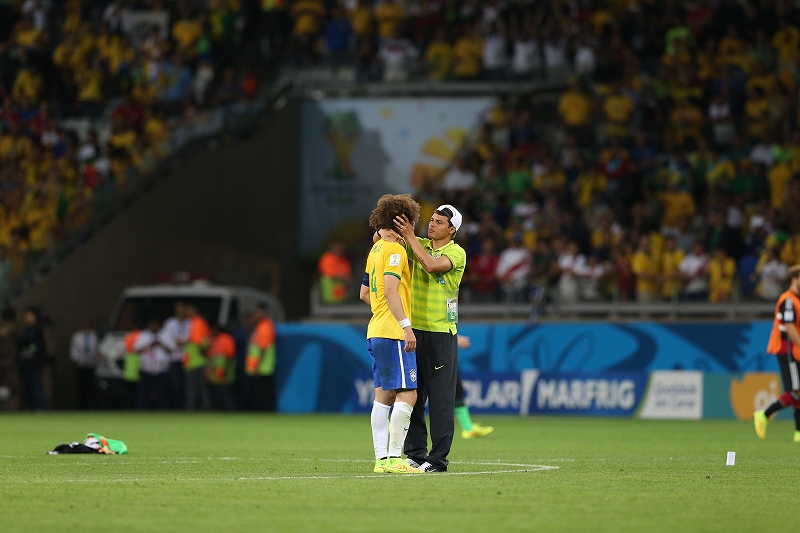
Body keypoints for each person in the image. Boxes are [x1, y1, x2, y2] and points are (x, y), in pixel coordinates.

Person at [389, 203, 467, 473]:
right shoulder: (418, 242)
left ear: (452, 229)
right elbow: (382, 237)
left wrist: (410, 237)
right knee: (413, 394)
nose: (432, 224)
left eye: (439, 222)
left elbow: (432, 266)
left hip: (440, 334)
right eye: (431, 219)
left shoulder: (456, 252)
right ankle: (416, 454)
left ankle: (438, 460)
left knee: (441, 399)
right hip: (414, 331)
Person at [361, 194, 424, 474]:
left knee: (383, 396)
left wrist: (383, 311)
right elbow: (390, 290)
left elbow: (365, 293)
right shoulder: (395, 251)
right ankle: (396, 458)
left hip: (376, 329)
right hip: (393, 332)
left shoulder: (375, 249)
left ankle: (382, 460)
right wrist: (405, 325)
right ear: (404, 222)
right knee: (408, 394)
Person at [754, 265, 800, 441]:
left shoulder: (796, 300)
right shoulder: (788, 300)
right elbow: (789, 327)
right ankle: (764, 415)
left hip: (793, 347)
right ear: (795, 279)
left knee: (798, 391)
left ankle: (798, 432)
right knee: (796, 390)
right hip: (787, 347)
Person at [454, 335, 494, 439]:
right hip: (434, 353)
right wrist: (454, 338)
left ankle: (468, 428)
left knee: (456, 388)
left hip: (445, 353)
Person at [134, 318, 174, 410]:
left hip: (161, 370)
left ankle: (163, 414)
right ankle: (142, 414)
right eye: (152, 324)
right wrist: (150, 344)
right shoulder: (144, 335)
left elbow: (172, 349)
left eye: (156, 324)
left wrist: (160, 344)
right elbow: (136, 349)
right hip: (146, 370)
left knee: (162, 395)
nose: (154, 326)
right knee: (143, 396)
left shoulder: (165, 335)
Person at [244, 304, 277, 411]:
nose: (254, 316)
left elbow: (263, 348)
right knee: (259, 391)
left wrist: (257, 365)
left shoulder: (265, 326)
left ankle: (266, 411)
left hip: (263, 366)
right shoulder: (259, 326)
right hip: (258, 366)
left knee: (263, 392)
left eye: (256, 313)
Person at [17, 307, 47, 411]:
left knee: (37, 386)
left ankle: (40, 407)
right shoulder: (24, 331)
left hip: (35, 363)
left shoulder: (38, 330)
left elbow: (40, 347)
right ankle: (30, 407)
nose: (27, 318)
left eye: (29, 316)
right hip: (25, 363)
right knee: (27, 387)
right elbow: (20, 345)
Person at [183, 304, 211, 410]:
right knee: (201, 388)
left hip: (196, 362)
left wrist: (204, 356)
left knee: (194, 389)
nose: (186, 312)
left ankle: (192, 409)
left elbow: (199, 343)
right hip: (197, 361)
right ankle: (204, 408)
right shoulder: (199, 323)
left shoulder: (196, 323)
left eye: (188, 309)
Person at [162, 301, 189, 408]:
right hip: (174, 359)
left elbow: (191, 337)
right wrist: (175, 344)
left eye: (182, 309)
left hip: (187, 359)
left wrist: (183, 341)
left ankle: (186, 407)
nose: (180, 311)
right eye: (178, 309)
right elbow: (165, 339)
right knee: (175, 386)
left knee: (187, 386)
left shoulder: (190, 323)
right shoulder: (170, 323)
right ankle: (176, 407)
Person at [69, 316, 98, 409]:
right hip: (81, 365)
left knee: (92, 388)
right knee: (81, 389)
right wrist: (77, 360)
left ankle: (92, 407)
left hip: (91, 365)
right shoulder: (77, 336)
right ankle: (82, 407)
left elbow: (96, 349)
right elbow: (73, 351)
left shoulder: (94, 335)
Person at [206, 323, 236, 411]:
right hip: (215, 374)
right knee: (216, 394)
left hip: (225, 372)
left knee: (227, 394)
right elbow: (210, 356)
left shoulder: (226, 338)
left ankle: (230, 412)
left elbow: (230, 355)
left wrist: (225, 369)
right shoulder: (212, 340)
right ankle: (218, 411)